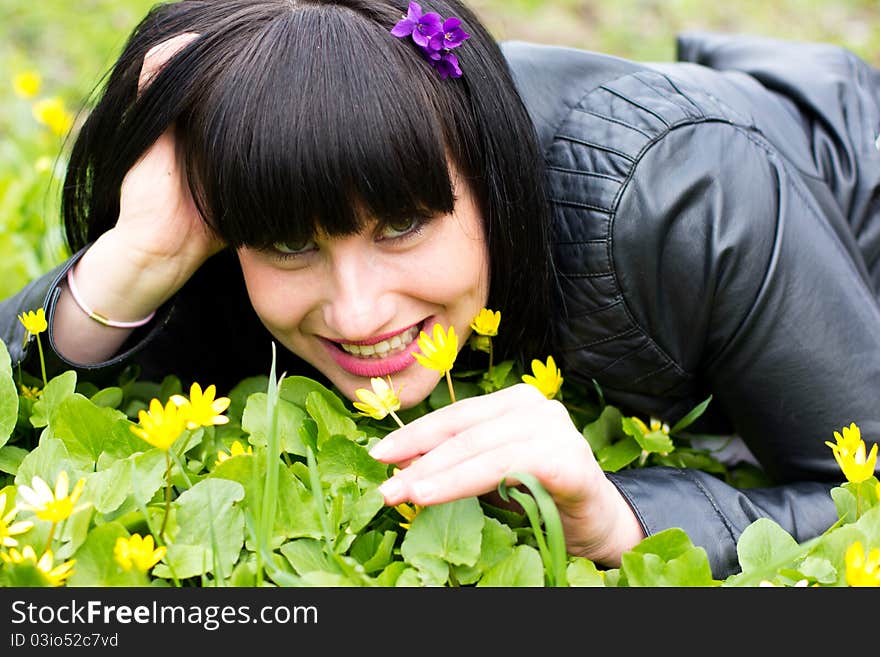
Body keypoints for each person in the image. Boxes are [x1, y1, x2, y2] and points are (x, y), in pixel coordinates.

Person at [2, 0, 879, 580]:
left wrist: (622, 521)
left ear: (487, 171)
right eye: (286, 243)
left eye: (401, 226)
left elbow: (862, 491)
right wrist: (137, 260)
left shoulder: (684, 195)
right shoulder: (234, 235)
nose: (358, 312)